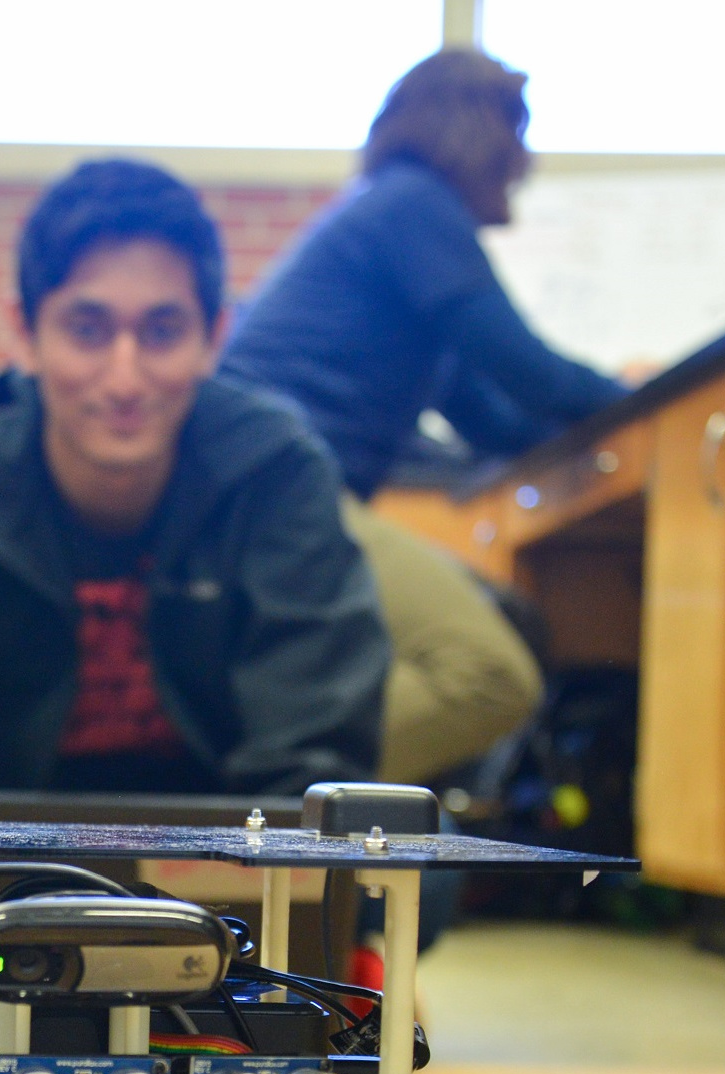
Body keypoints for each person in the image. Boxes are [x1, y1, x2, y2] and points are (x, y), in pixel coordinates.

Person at [0, 160, 386, 795]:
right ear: (25, 336)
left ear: (213, 338)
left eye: (162, 332)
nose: (124, 380)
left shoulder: (277, 475)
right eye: (87, 331)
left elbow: (313, 750)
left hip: (226, 873)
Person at [220, 48, 628, 785]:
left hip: (269, 486)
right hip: (270, 490)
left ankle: (287, 785)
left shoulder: (392, 223)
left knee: (500, 624)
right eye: (517, 133)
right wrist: (633, 397)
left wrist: (581, 416)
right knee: (487, 672)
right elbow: (531, 373)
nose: (524, 159)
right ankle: (253, 789)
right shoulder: (414, 207)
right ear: (478, 132)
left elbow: (493, 417)